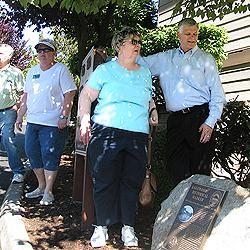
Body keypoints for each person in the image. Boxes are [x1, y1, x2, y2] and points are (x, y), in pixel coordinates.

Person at [79, 27, 158, 248]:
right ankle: (101, 227)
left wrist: (152, 110)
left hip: (137, 134)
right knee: (104, 181)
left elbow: (148, 97)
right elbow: (86, 95)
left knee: (131, 182)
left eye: (139, 41)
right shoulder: (105, 70)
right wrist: (85, 119)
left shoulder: (144, 72)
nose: (137, 44)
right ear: (119, 45)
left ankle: (128, 227)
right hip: (107, 131)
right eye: (132, 41)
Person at [137, 18, 226, 187]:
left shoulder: (206, 59)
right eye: (188, 34)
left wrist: (210, 122)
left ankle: (199, 212)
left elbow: (217, 93)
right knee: (175, 168)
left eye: (195, 34)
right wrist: (114, 58)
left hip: (200, 118)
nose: (192, 37)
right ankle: (181, 210)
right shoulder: (165, 58)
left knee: (200, 172)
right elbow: (139, 63)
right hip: (176, 120)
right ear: (179, 35)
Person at [16, 39, 77, 205]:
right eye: (39, 50)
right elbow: (26, 95)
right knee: (32, 152)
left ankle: (49, 191)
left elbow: (69, 93)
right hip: (33, 121)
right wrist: (21, 115)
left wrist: (64, 115)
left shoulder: (60, 70)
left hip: (53, 123)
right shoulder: (32, 72)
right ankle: (41, 186)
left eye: (46, 50)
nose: (42, 53)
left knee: (49, 154)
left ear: (53, 53)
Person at [0, 43, 26, 183]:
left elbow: (22, 94)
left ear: (9, 56)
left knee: (7, 139)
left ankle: (18, 171)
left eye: (1, 53)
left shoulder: (15, 73)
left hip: (7, 112)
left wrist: (17, 109)